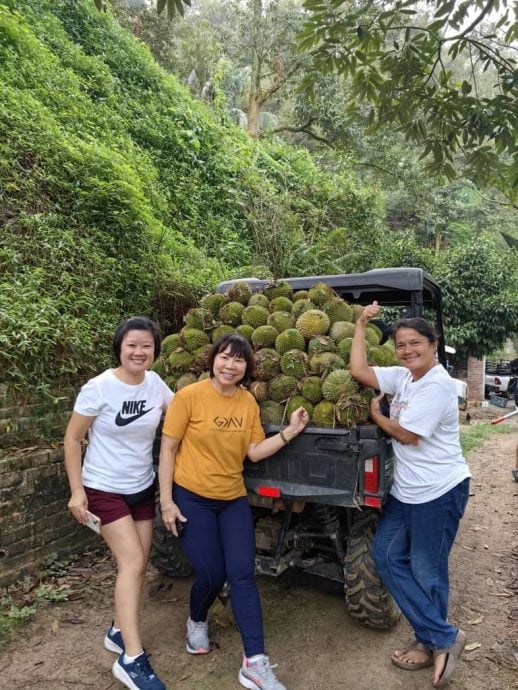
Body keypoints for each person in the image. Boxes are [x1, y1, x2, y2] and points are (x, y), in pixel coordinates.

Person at [158, 333, 309, 690]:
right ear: (213, 360)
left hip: (232, 499)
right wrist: (167, 501)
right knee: (211, 574)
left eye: (239, 360)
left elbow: (254, 453)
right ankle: (196, 619)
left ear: (247, 368)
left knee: (242, 573)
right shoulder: (188, 397)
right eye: (225, 357)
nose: (230, 365)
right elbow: (168, 451)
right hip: (192, 497)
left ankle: (254, 663)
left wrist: (290, 431)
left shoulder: (247, 404)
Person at [350, 303, 471, 689]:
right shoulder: (404, 377)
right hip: (408, 492)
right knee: (385, 556)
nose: (406, 350)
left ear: (433, 345)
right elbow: (359, 371)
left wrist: (378, 417)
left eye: (415, 342)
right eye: (401, 344)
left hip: (438, 491)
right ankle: (442, 635)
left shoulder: (438, 384)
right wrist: (360, 324)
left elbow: (407, 435)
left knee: (427, 571)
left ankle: (429, 640)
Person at [64, 317, 173, 690]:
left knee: (141, 566)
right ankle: (131, 658)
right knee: (132, 561)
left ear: (155, 352)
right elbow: (72, 439)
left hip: (141, 486)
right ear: (119, 348)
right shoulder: (99, 388)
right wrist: (77, 491)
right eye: (132, 345)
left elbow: (184, 415)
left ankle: (117, 631)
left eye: (146, 346)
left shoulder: (157, 385)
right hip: (103, 488)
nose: (139, 352)